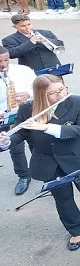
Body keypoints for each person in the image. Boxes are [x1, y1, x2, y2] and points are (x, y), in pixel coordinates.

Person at [0, 75, 80, 251]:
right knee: (63, 198)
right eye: (52, 94)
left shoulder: (79, 102)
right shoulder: (27, 108)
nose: (59, 95)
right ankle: (75, 229)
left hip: (78, 156)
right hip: (47, 161)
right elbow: (21, 133)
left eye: (61, 89)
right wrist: (7, 141)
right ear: (40, 96)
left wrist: (46, 127)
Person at [0, 45, 36, 195]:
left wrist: (28, 93)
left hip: (28, 112)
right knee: (15, 148)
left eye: (6, 60)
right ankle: (23, 175)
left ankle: (42, 169)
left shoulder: (23, 70)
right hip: (5, 118)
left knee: (38, 142)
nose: (3, 64)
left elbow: (39, 87)